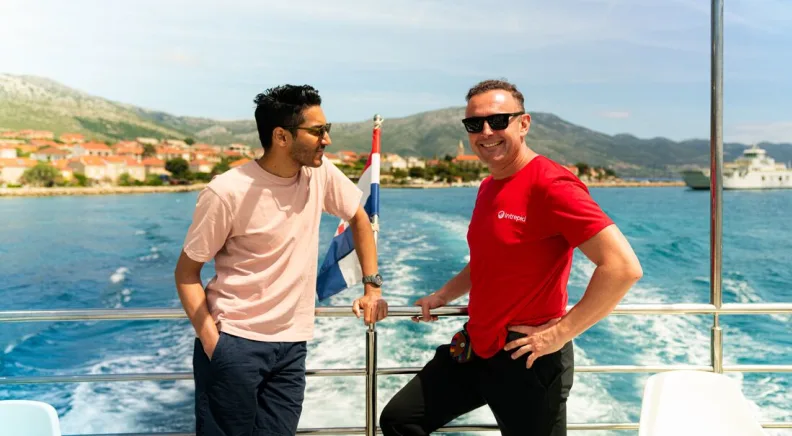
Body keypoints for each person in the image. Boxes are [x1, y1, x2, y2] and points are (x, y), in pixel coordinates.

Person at [379, 79, 643, 436]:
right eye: (475, 124)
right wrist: (443, 295)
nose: (486, 132)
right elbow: (488, 260)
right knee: (400, 419)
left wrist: (560, 333)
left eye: (499, 120)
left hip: (528, 357)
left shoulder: (551, 184)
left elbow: (622, 267)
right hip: (477, 346)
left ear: (524, 123)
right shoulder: (489, 185)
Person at [174, 84, 388, 436]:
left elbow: (359, 218)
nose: (327, 139)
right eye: (317, 131)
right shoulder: (226, 192)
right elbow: (186, 273)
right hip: (235, 342)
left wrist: (372, 287)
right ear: (281, 136)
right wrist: (214, 344)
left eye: (327, 129)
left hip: (292, 346)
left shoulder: (319, 172)